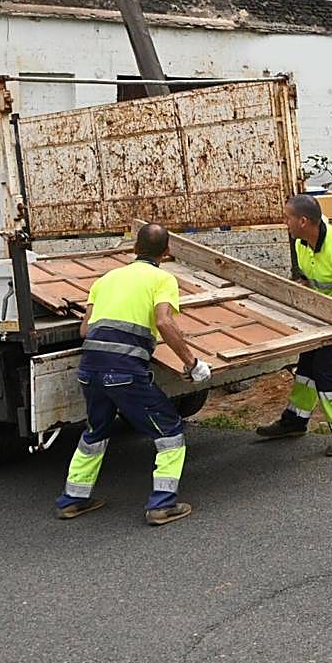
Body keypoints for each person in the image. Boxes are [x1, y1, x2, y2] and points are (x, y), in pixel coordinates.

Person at [54, 223, 211, 525]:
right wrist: (192, 363)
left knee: (96, 432)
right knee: (169, 431)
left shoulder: (106, 278)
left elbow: (84, 330)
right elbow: (165, 322)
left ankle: (72, 500)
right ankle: (162, 505)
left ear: (135, 249)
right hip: (124, 371)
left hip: (90, 369)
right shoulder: (163, 279)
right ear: (166, 252)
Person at [256, 194, 332, 456]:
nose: (284, 222)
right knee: (308, 366)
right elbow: (309, 282)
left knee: (328, 371)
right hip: (325, 311)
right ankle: (295, 421)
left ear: (303, 220)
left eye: (287, 217)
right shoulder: (301, 242)